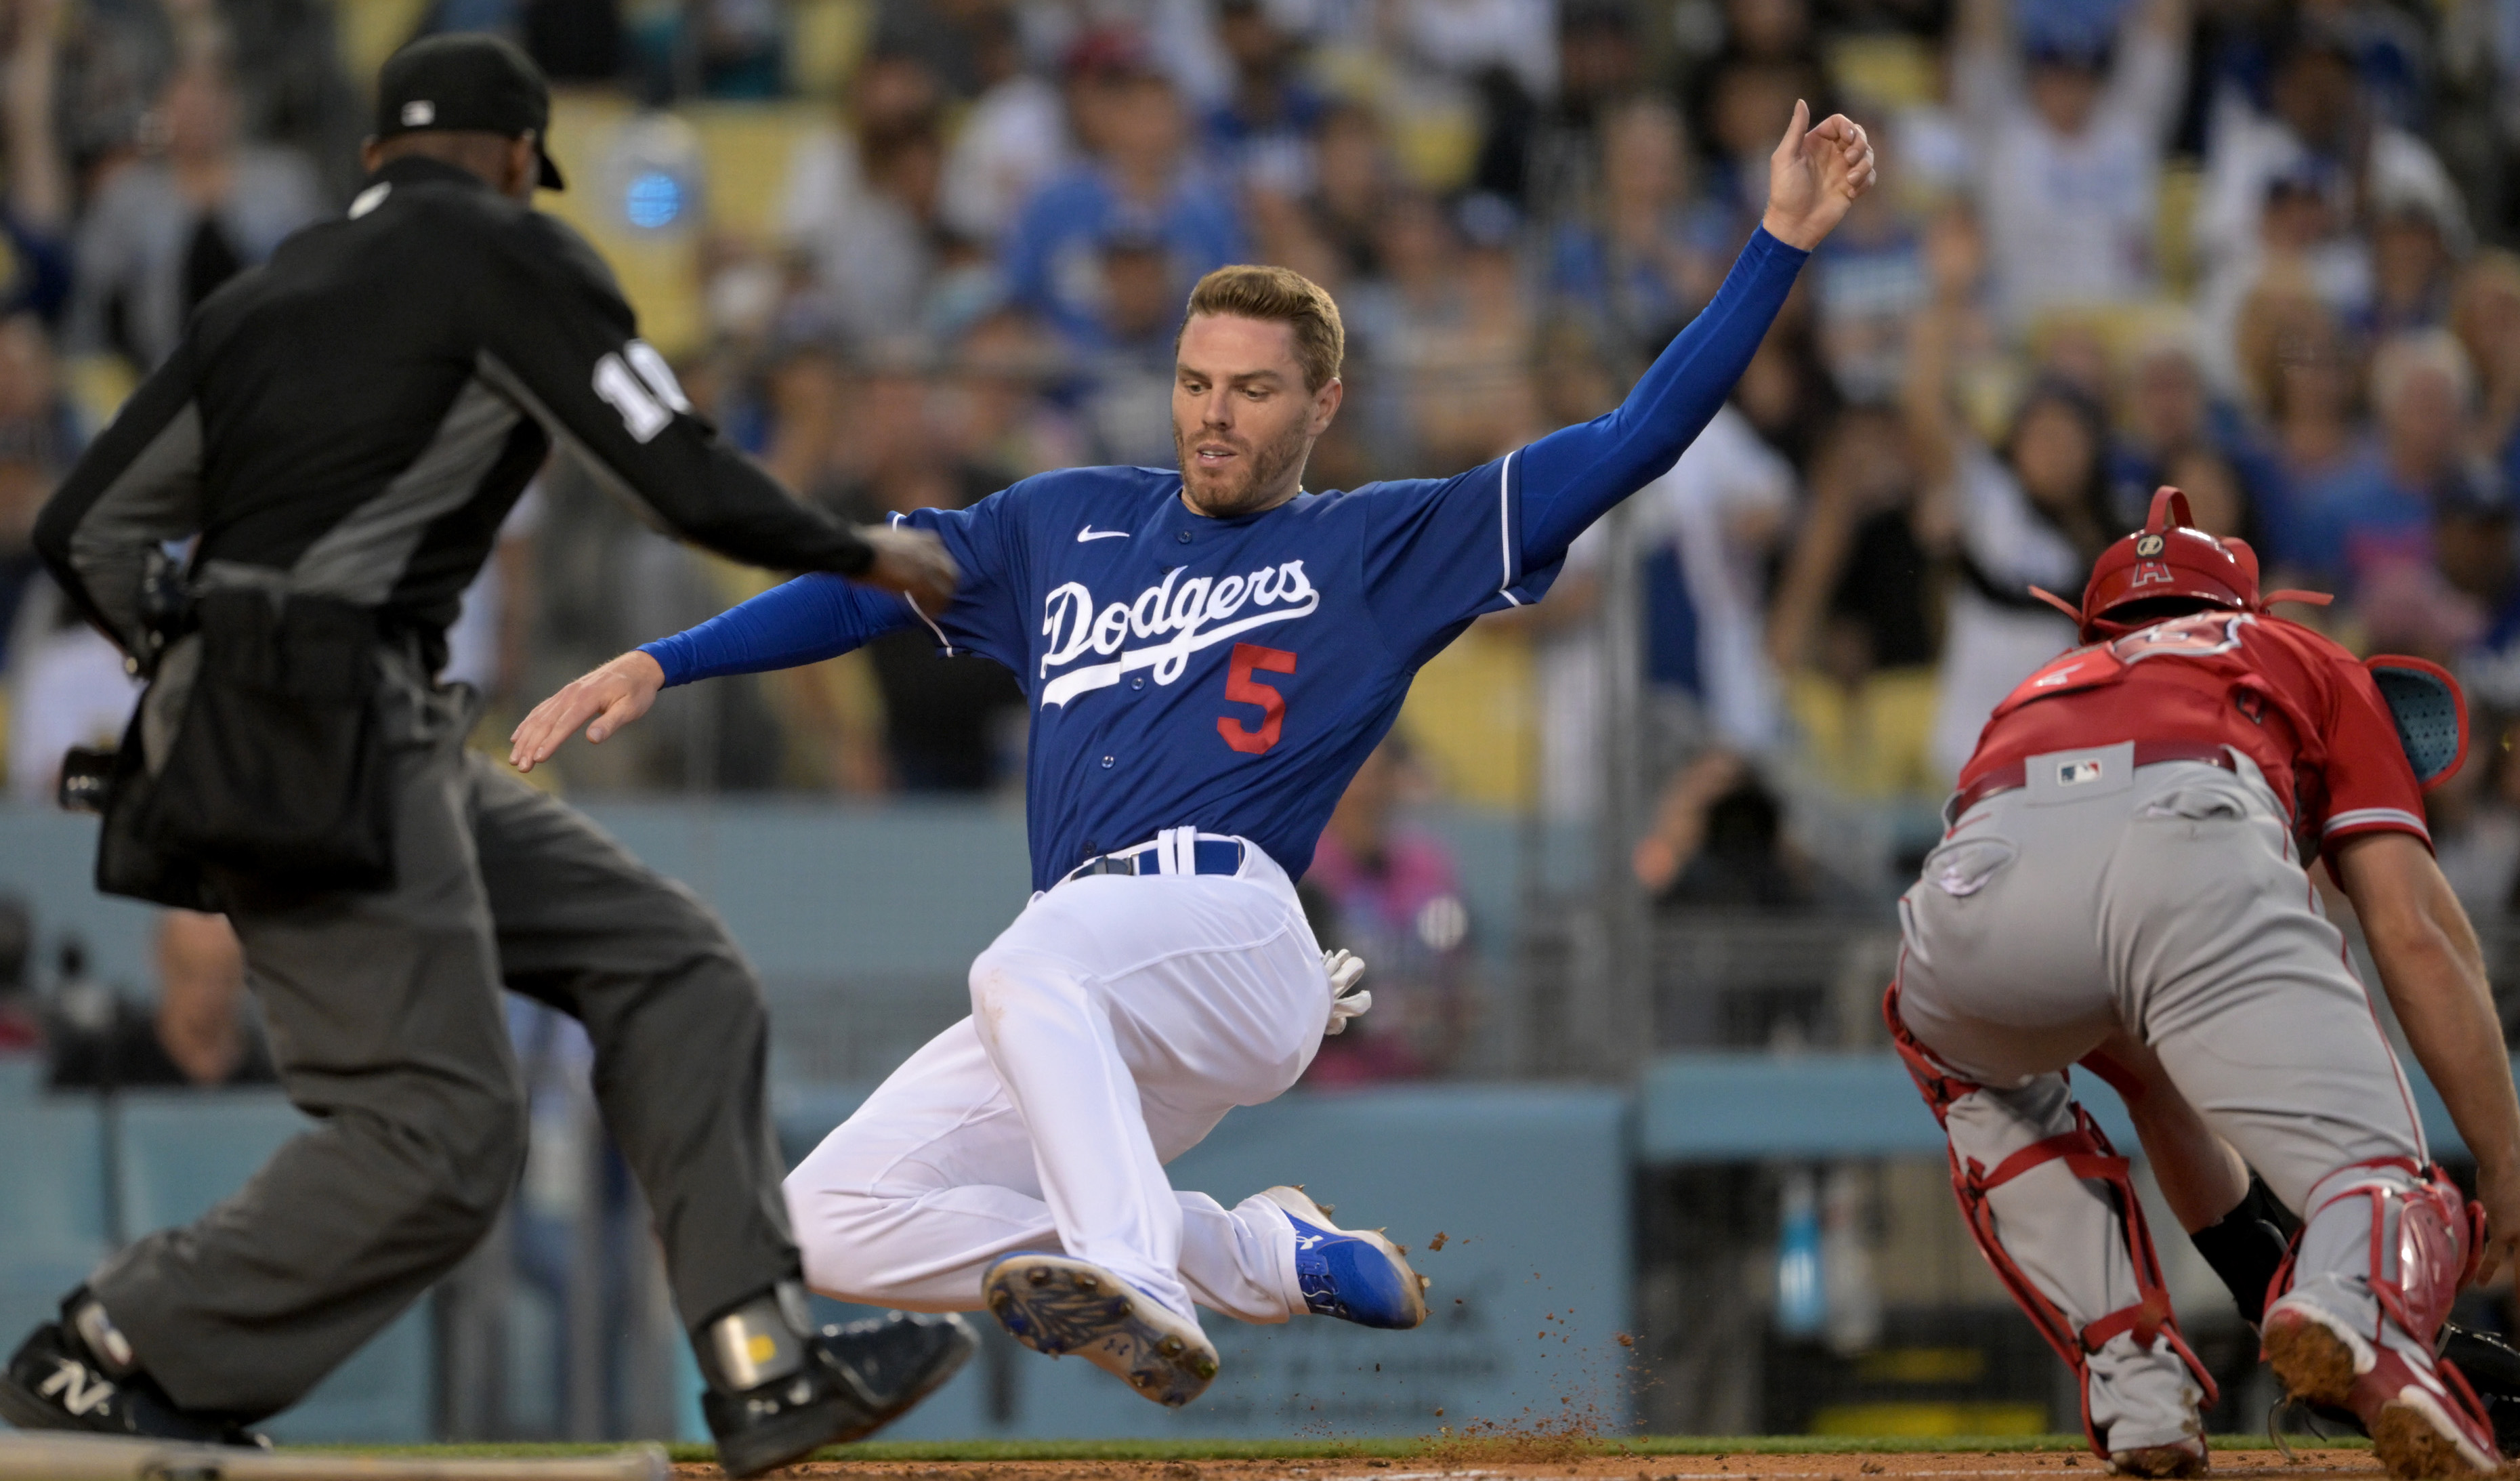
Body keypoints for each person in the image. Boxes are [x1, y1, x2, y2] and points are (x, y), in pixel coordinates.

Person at [513, 103, 1877, 1406]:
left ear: (1322, 404)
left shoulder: (1373, 548)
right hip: (1094, 985)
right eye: (1194, 382)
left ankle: (1131, 1271)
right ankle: (1236, 1254)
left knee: (1027, 959)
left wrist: (1779, 246)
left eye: (1254, 391)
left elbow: (1634, 440)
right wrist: (662, 659)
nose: (1215, 414)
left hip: (1235, 933)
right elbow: (868, 577)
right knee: (821, 1222)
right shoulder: (1068, 520)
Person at [5, 35, 973, 1477]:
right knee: (443, 1135)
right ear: (521, 158)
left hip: (328, 722)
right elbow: (675, 472)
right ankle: (107, 1355)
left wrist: (200, 659)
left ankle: (762, 1360)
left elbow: (85, 532)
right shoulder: (516, 255)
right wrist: (864, 550)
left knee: (670, 962)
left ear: (373, 158)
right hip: (325, 723)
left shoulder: (259, 298)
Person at [1888, 487, 2520, 1477]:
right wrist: (2507, 1152)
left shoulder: (2040, 687)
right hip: (2196, 828)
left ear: (2095, 626)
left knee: (1971, 1068)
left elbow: (2157, 1086)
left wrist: (2260, 1274)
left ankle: (2137, 1385)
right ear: (2248, 606)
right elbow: (2415, 930)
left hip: (1979, 880)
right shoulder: (2294, 653)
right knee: (2387, 1186)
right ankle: (2364, 1313)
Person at [44, 910, 276, 1089]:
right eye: (188, 971)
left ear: (246, 973)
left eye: (224, 975)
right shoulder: (96, 1068)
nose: (208, 993)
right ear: (159, 960)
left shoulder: (272, 1079)